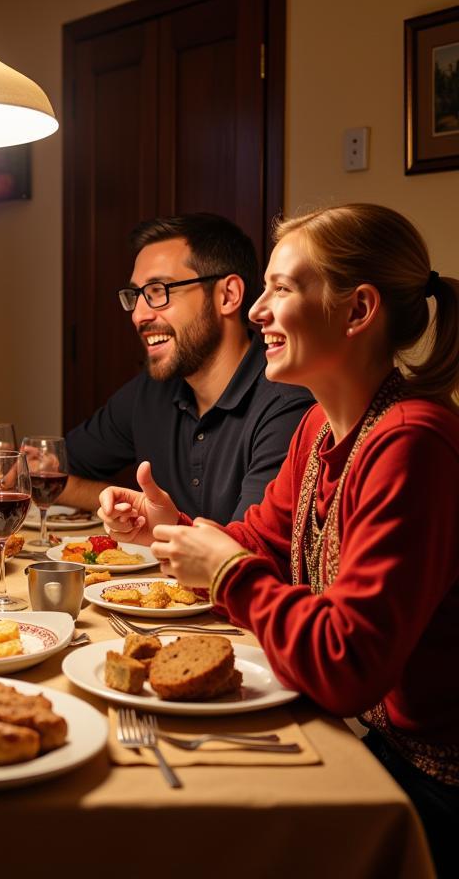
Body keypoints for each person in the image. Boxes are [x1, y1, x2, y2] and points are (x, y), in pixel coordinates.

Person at [99, 203, 459, 873]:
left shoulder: (413, 443)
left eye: (283, 289)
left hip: (433, 789)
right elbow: (257, 541)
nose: (257, 311)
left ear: (358, 311)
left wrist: (228, 571)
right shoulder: (320, 432)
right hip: (372, 744)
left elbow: (346, 666)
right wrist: (171, 532)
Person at [63, 213, 312, 521]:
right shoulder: (151, 391)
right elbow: (55, 469)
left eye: (158, 291)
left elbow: (245, 552)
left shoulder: (287, 403)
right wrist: (125, 507)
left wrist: (156, 523)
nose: (138, 315)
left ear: (228, 295)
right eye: (136, 296)